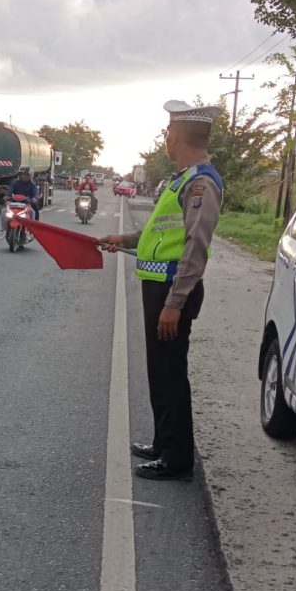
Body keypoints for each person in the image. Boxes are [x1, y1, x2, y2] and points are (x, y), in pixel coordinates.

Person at [100, 100, 225, 480]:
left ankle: (176, 458)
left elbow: (194, 248)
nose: (166, 140)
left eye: (168, 134)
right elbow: (158, 234)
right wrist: (122, 238)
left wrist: (174, 303)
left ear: (177, 137)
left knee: (170, 373)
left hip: (173, 293)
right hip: (161, 290)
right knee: (160, 371)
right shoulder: (182, 180)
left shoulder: (201, 183)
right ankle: (163, 441)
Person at [0, 165, 42, 231]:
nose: (23, 176)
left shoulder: (33, 185)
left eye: (26, 175)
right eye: (22, 174)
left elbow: (35, 194)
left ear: (30, 176)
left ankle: (32, 229)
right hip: (14, 203)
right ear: (19, 175)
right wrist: (7, 197)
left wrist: (35, 198)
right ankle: (4, 230)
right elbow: (10, 190)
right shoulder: (15, 183)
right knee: (3, 211)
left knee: (32, 212)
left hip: (27, 204)